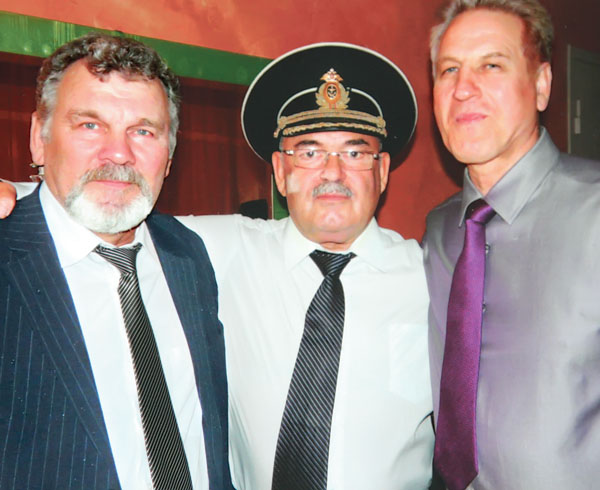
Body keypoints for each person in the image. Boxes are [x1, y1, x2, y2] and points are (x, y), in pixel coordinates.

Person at [1, 43, 434, 489]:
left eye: (355, 154)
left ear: (383, 171)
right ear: (280, 171)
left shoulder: (434, 279)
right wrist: (16, 195)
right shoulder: (222, 246)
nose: (332, 173)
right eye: (308, 153)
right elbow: (94, 201)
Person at [0, 33, 232, 490]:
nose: (119, 153)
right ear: (38, 139)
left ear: (169, 156)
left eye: (143, 131)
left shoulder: (187, 253)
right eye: (90, 125)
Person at [423, 1, 600, 489]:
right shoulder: (438, 232)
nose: (463, 88)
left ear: (541, 85)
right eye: (449, 70)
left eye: (491, 65)